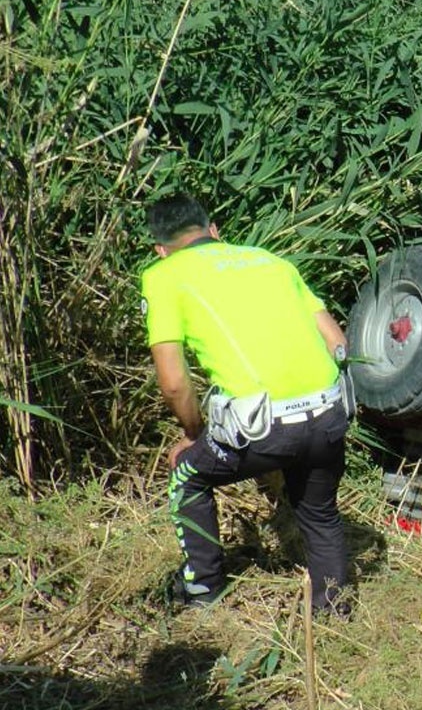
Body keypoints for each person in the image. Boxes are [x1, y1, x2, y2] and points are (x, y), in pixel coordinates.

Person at [140, 193, 352, 615]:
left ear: (160, 249)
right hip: (330, 413)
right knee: (319, 512)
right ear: (214, 231)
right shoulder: (272, 262)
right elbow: (339, 343)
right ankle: (335, 610)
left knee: (187, 475)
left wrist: (194, 434)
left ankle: (202, 590)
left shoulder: (162, 275)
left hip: (264, 428)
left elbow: (173, 384)